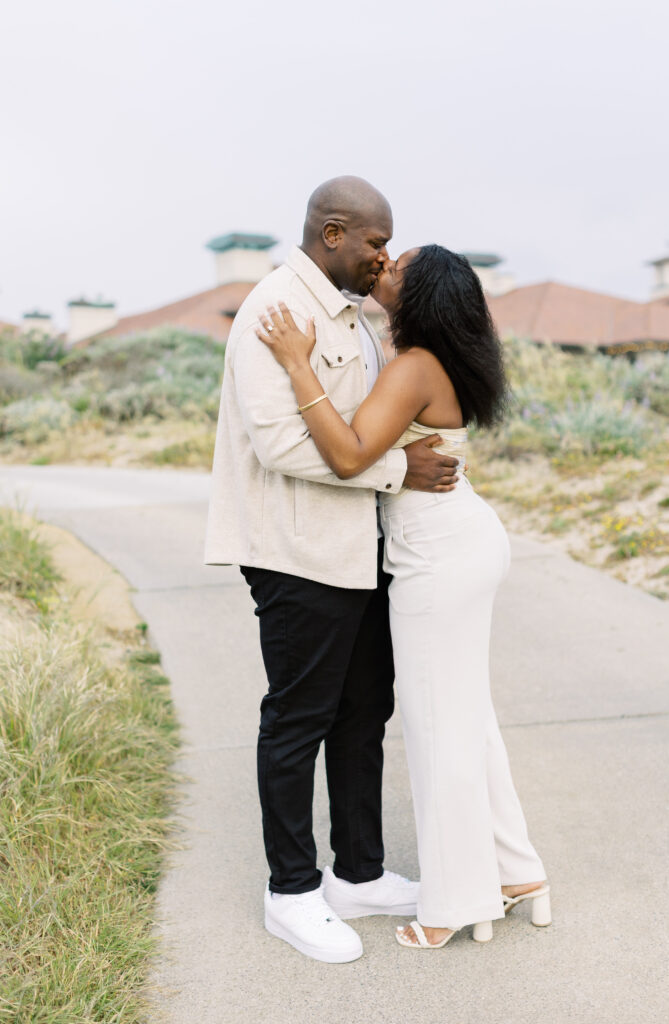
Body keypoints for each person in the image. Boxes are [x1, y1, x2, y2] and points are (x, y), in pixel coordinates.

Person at [255, 244, 551, 950]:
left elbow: (351, 455)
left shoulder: (416, 364)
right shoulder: (430, 356)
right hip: (457, 543)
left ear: (418, 297)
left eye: (396, 267)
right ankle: (516, 872)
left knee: (435, 727)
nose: (382, 266)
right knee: (466, 717)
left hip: (438, 558)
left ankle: (453, 902)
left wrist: (297, 365)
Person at [204, 178, 459, 964]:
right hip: (295, 550)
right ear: (334, 232)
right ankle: (292, 893)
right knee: (298, 719)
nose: (383, 257)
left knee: (361, 711)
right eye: (375, 243)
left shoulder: (348, 311)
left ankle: (357, 874)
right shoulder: (275, 310)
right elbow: (284, 445)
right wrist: (395, 474)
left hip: (355, 549)